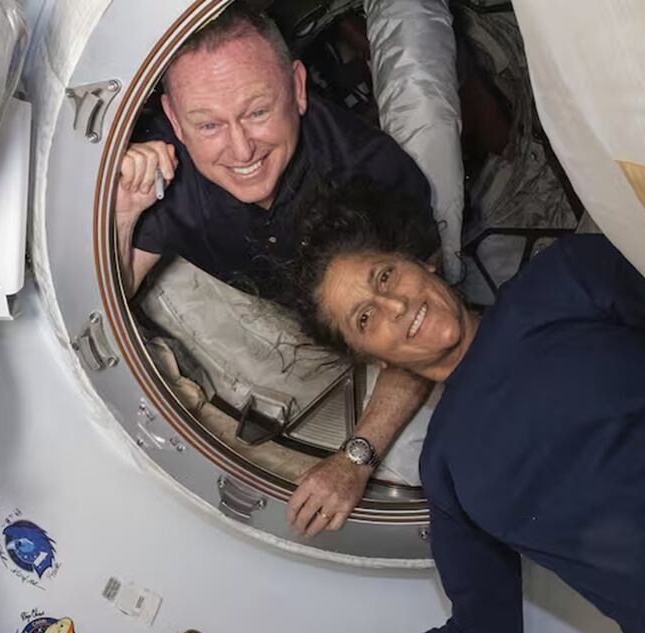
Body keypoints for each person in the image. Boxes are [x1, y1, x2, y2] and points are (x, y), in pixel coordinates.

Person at [264, 186, 645, 633]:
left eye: (385, 275)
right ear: (371, 359)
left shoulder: (565, 278)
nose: (393, 303)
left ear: (422, 261)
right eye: (365, 317)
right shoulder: (446, 468)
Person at [114, 5, 442, 535]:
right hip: (280, 308)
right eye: (208, 124)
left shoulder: (372, 175)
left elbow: (428, 328)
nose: (241, 149)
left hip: (370, 314)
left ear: (297, 87)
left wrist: (355, 458)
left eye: (258, 112)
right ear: (175, 120)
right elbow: (113, 295)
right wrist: (126, 211)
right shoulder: (166, 171)